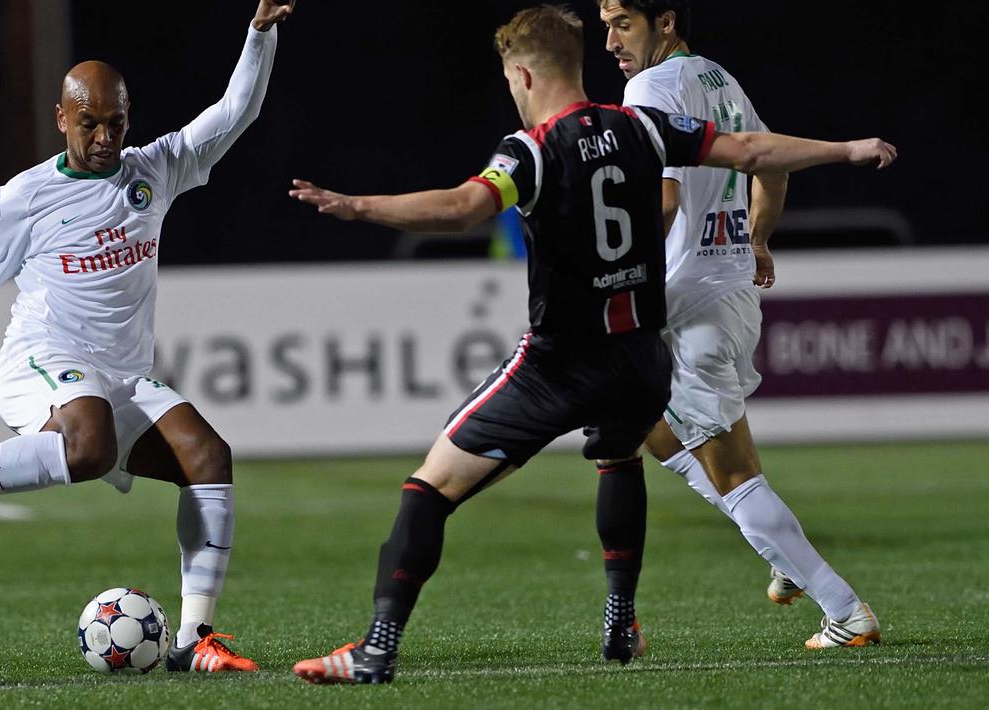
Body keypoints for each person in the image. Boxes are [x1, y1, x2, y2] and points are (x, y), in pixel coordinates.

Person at [287, 5, 895, 683]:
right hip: (640, 357)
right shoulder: (643, 126)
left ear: (523, 76)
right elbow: (754, 153)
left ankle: (376, 649)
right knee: (627, 448)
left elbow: (462, 208)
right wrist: (845, 152)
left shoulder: (534, 148)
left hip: (565, 359)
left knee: (428, 488)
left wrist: (358, 207)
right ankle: (624, 619)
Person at [0, 0, 296, 674]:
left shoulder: (154, 170)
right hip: (43, 358)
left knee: (208, 457)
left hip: (122, 374)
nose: (103, 137)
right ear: (61, 118)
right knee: (90, 445)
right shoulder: (23, 198)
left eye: (115, 122)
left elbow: (234, 111)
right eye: (89, 122)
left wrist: (259, 34)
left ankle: (194, 641)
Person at [598, 0, 881, 650]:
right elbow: (768, 163)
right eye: (605, 25)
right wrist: (756, 239)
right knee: (635, 419)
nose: (610, 41)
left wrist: (615, 272)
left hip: (688, 302)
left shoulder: (650, 87)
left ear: (665, 21)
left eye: (623, 23)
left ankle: (844, 610)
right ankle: (784, 559)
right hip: (724, 291)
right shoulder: (718, 79)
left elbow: (663, 200)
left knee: (732, 470)